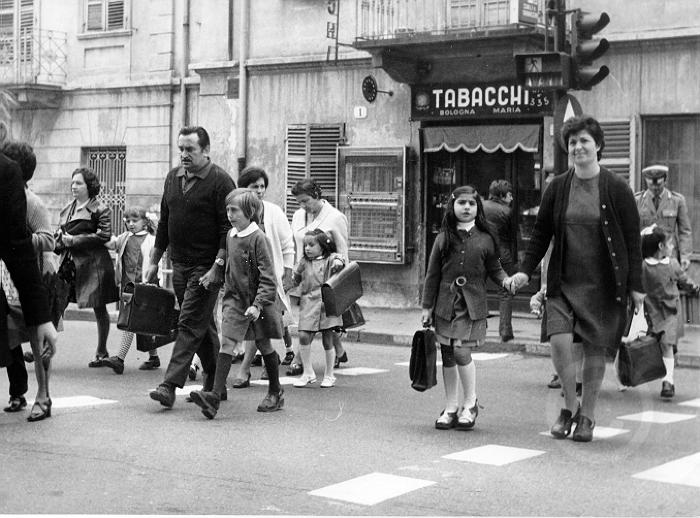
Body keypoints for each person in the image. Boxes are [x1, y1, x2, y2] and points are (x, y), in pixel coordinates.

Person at [507, 115, 645, 442]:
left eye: (584, 140)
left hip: (603, 284)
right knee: (559, 342)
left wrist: (637, 286)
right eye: (572, 142)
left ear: (598, 146)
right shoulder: (558, 186)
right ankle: (569, 407)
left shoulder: (617, 187)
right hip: (563, 283)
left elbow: (632, 240)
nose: (577, 146)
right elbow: (541, 234)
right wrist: (526, 270)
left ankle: (588, 416)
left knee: (595, 351)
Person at [147, 126, 235, 409]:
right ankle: (215, 384)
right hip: (180, 264)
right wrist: (154, 260)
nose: (183, 155)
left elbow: (227, 228)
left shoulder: (221, 181)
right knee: (201, 324)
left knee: (188, 322)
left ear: (206, 150)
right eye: (181, 149)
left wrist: (218, 266)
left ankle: (169, 385)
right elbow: (164, 221)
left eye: (190, 150)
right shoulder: (173, 177)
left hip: (206, 267)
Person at [190, 189, 284, 418]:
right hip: (234, 300)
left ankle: (275, 391)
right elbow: (230, 266)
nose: (230, 215)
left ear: (250, 212)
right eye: (228, 210)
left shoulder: (259, 238)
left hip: (257, 303)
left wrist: (258, 304)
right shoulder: (231, 236)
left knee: (264, 345)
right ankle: (214, 396)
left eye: (235, 210)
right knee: (227, 343)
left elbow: (269, 277)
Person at [421, 185, 510, 431]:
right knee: (447, 354)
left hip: (473, 304)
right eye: (461, 203)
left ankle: (470, 404)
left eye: (471, 204)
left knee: (461, 352)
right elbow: (432, 275)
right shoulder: (443, 237)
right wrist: (426, 307)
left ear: (477, 208)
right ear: (453, 206)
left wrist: (507, 281)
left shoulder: (486, 238)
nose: (467, 208)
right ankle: (451, 408)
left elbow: (495, 269)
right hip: (445, 304)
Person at [0, 143, 58, 421]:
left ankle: (43, 395)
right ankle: (18, 390)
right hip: (6, 281)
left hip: (28, 278)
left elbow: (49, 238)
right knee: (10, 337)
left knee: (37, 343)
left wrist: (17, 244)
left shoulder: (31, 201)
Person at [230, 166, 295, 388]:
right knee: (259, 329)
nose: (259, 191)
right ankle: (263, 367)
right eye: (253, 187)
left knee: (262, 327)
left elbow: (287, 245)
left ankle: (246, 370)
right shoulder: (237, 213)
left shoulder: (274, 211)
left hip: (269, 279)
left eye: (261, 186)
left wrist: (287, 271)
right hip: (245, 282)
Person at [55, 167, 119, 367]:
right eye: (72, 182)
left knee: (99, 308)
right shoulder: (67, 209)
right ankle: (42, 347)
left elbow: (104, 235)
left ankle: (102, 350)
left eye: (79, 183)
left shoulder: (100, 209)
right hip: (68, 263)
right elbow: (60, 234)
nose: (74, 186)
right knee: (56, 303)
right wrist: (59, 240)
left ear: (89, 186)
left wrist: (73, 240)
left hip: (93, 266)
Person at [288, 179, 349, 376]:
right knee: (317, 319)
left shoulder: (335, 217)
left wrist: (338, 281)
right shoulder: (298, 215)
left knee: (313, 318)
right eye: (299, 202)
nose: (303, 206)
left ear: (316, 196)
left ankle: (299, 359)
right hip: (303, 271)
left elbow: (342, 251)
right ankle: (339, 351)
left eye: (305, 201)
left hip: (325, 277)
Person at [101, 207, 162, 374]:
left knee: (132, 322)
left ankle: (119, 359)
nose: (131, 224)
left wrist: (157, 284)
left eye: (135, 220)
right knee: (143, 324)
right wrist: (101, 234)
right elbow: (111, 244)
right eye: (127, 221)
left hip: (144, 288)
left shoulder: (152, 240)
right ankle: (154, 357)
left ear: (145, 221)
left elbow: (158, 265)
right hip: (128, 287)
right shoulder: (125, 238)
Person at [641, 225, 699, 399]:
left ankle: (668, 381)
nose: (673, 247)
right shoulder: (647, 266)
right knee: (661, 344)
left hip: (670, 311)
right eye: (670, 244)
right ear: (661, 247)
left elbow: (684, 280)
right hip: (653, 311)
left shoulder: (668, 264)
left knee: (666, 344)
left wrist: (694, 288)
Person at [287, 229, 345, 388]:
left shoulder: (330, 259)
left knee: (328, 338)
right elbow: (295, 278)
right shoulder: (304, 262)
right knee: (304, 335)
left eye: (311, 245)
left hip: (327, 303)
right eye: (305, 245)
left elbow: (339, 257)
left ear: (323, 246)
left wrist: (339, 261)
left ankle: (329, 374)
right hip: (308, 303)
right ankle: (308, 372)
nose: (307, 248)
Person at [635, 165, 692, 270]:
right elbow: (631, 231)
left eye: (659, 184)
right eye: (651, 184)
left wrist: (685, 256)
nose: (655, 187)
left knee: (669, 285)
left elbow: (684, 232)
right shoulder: (637, 201)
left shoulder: (677, 201)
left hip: (669, 255)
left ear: (665, 181)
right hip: (645, 257)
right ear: (646, 181)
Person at [482, 179, 517, 342]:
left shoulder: (480, 206)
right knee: (506, 291)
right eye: (509, 195)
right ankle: (505, 331)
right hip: (502, 253)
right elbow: (511, 237)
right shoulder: (507, 212)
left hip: (481, 251)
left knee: (476, 287)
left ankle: (479, 327)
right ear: (502, 195)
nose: (511, 198)